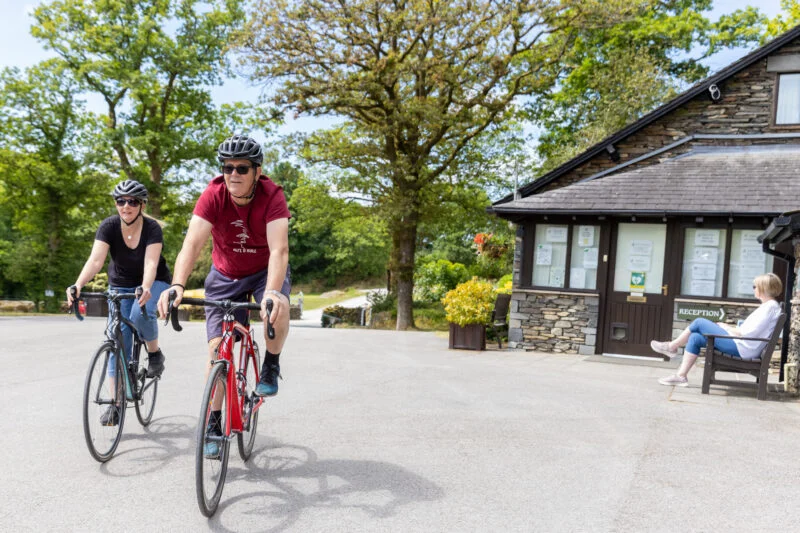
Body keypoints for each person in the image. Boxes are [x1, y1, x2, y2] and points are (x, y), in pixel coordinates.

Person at [156, 134, 291, 457]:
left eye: (242, 168)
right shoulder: (213, 194)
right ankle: (214, 423)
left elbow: (279, 250)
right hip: (225, 273)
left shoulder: (273, 196)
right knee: (217, 352)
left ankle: (271, 363)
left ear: (257, 171)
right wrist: (177, 285)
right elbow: (191, 244)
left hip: (263, 271)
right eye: (227, 167)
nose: (233, 174)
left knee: (278, 307)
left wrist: (272, 292)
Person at [66, 179, 172, 425]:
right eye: (120, 201)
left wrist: (146, 287)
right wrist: (78, 284)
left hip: (153, 281)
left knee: (139, 313)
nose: (126, 206)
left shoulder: (152, 228)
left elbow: (151, 263)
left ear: (142, 205)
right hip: (121, 284)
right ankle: (116, 404)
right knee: (116, 340)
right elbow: (95, 261)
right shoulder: (108, 226)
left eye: (132, 201)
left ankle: (155, 354)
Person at [651, 273, 783, 387]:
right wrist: (729, 328)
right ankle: (681, 376)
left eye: (755, 286)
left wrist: (726, 327)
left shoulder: (769, 308)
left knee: (699, 322)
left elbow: (747, 333)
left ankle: (671, 347)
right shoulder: (769, 306)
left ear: (763, 288)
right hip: (742, 344)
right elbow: (749, 331)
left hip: (742, 347)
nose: (754, 289)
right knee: (695, 338)